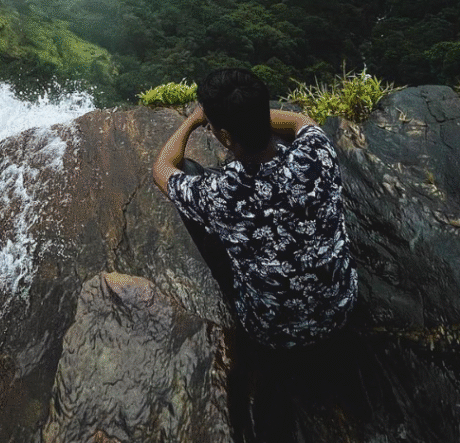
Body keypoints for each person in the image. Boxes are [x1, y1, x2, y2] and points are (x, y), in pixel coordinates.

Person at [152, 67, 357, 349]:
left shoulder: (219, 195)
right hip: (340, 309)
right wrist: (253, 116)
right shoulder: (317, 150)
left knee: (187, 171)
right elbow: (299, 121)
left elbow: (162, 168)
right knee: (284, 141)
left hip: (271, 331)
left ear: (226, 136)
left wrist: (194, 119)